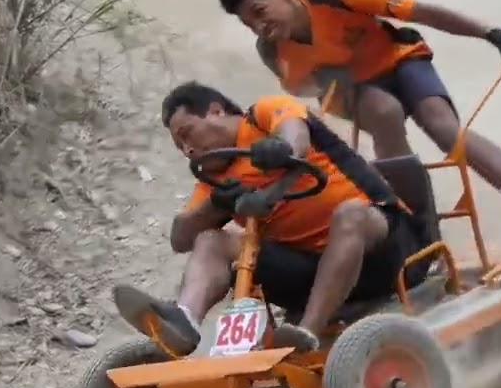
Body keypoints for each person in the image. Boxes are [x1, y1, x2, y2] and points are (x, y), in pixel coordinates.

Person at [216, 0, 501, 246]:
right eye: (249, 23)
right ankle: (422, 241)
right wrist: (334, 78)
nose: (259, 27)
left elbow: (424, 13)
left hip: (400, 60)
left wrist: (493, 35)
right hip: (351, 87)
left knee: (443, 127)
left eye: (260, 12)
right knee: (384, 112)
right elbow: (300, 89)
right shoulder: (272, 51)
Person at [112, 81, 430, 355]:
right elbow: (180, 238)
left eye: (187, 134)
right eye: (180, 145)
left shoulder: (263, 115)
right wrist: (216, 204)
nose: (187, 149)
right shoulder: (213, 178)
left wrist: (280, 148)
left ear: (216, 111)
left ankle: (308, 332)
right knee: (210, 240)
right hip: (308, 273)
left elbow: (296, 139)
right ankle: (185, 321)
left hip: (386, 252)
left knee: (349, 215)